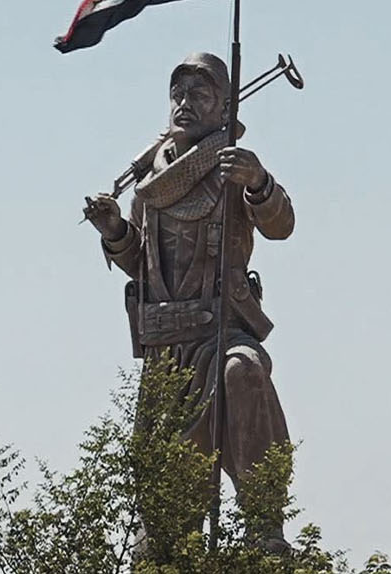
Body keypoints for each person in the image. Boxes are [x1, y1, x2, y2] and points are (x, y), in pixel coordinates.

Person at [82, 51, 294, 551]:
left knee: (244, 373)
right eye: (177, 94)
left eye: (199, 94)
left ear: (223, 106)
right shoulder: (150, 188)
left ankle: (264, 525)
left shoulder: (233, 170)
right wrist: (114, 230)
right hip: (167, 348)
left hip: (222, 331)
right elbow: (145, 264)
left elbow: (281, 226)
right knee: (167, 520)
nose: (184, 104)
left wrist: (259, 182)